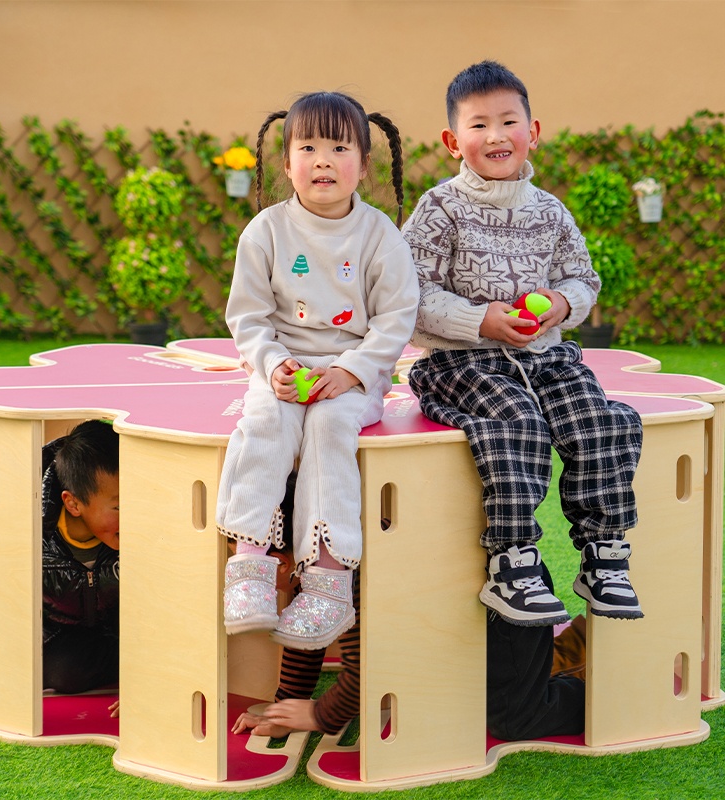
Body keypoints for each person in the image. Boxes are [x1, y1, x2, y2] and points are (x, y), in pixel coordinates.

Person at [402, 61, 644, 626]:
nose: (495, 136)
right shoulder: (439, 211)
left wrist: (561, 305)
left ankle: (603, 554)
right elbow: (408, 295)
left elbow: (582, 279)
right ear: (451, 142)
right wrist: (479, 320)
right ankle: (513, 561)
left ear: (532, 131)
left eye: (508, 121)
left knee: (598, 419)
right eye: (478, 125)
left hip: (544, 356)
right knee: (515, 423)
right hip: (463, 363)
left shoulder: (550, 212)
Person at [216, 90, 419, 651]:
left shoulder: (380, 234)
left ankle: (329, 581)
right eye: (308, 147)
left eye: (339, 146)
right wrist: (274, 364)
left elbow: (397, 318)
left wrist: (353, 372)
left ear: (364, 163)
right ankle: (250, 564)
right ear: (286, 163)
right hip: (282, 366)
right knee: (264, 419)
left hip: (354, 375)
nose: (323, 159)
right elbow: (248, 317)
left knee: (330, 427)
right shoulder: (264, 232)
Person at [233, 567, 586, 741]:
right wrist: (287, 702)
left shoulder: (342, 570)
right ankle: (569, 648)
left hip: (506, 605)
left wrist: (318, 714)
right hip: (463, 614)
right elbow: (308, 621)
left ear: (280, 565)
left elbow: (362, 677)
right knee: (466, 688)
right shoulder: (313, 557)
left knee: (511, 717)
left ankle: (609, 694)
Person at [41, 420, 120, 710]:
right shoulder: (39, 535)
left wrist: (145, 678)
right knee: (64, 671)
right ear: (73, 504)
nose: (132, 515)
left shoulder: (135, 534)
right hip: (62, 634)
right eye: (120, 506)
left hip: (118, 632)